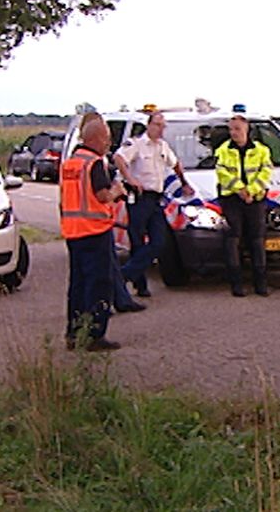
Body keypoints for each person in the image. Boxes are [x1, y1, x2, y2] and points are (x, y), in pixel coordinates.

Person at [59, 116, 131, 352]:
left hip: (73, 232)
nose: (108, 144)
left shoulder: (71, 163)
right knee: (99, 284)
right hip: (94, 230)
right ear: (97, 139)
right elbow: (101, 195)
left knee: (78, 285)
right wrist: (117, 191)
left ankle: (74, 332)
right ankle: (94, 334)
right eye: (107, 139)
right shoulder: (94, 163)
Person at [114, 112, 193, 297]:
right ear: (148, 125)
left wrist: (184, 183)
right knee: (138, 243)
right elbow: (119, 158)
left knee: (159, 241)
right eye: (157, 125)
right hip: (140, 198)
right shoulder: (137, 144)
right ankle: (140, 286)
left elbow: (175, 164)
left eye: (163, 126)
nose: (161, 129)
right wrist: (130, 179)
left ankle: (123, 275)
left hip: (156, 198)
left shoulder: (163, 146)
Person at [214, 114, 273, 297]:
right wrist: (241, 190)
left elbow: (266, 172)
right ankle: (236, 284)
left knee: (256, 239)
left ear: (247, 130)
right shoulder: (222, 151)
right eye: (231, 129)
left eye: (237, 129)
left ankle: (261, 284)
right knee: (233, 239)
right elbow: (222, 174)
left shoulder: (262, 150)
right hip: (232, 199)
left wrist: (252, 191)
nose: (234, 133)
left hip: (255, 199)